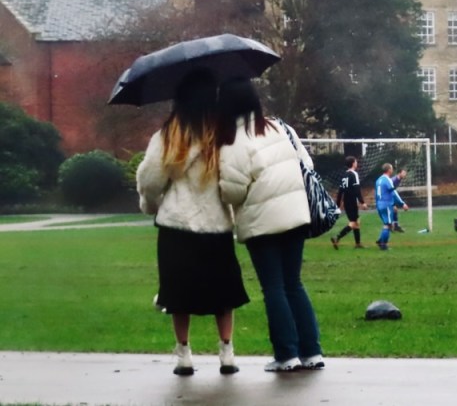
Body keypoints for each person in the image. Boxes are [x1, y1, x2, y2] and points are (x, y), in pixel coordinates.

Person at [137, 69, 249, 377]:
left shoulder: (167, 135)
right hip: (217, 224)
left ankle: (183, 354)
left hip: (177, 223)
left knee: (177, 293)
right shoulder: (224, 133)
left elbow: (149, 180)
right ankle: (227, 352)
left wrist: (150, 205)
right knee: (224, 293)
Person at [216, 77, 322, 372]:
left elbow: (232, 190)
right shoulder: (277, 128)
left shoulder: (234, 141)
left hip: (263, 222)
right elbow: (306, 164)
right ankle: (311, 351)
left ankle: (286, 354)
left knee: (273, 287)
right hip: (295, 214)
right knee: (294, 284)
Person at [331, 156, 368, 249]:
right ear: (353, 163)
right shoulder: (353, 174)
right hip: (352, 201)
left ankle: (358, 244)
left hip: (346, 201)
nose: (357, 163)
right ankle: (337, 237)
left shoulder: (344, 175)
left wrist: (338, 204)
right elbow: (357, 189)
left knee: (356, 221)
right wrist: (362, 202)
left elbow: (340, 191)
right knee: (353, 222)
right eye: (356, 162)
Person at [374, 163, 409, 250]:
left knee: (386, 224)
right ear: (389, 170)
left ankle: (380, 241)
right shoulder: (388, 180)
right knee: (388, 225)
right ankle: (383, 246)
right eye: (392, 168)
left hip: (379, 204)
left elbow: (376, 194)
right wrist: (402, 204)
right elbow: (393, 193)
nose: (392, 170)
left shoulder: (378, 180)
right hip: (386, 204)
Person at [391, 168, 408, 233]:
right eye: (403, 173)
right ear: (399, 173)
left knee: (395, 210)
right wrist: (402, 203)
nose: (404, 174)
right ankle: (391, 226)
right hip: (387, 196)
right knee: (392, 210)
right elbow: (391, 190)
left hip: (390, 196)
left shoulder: (398, 179)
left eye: (405, 173)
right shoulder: (395, 180)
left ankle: (395, 226)